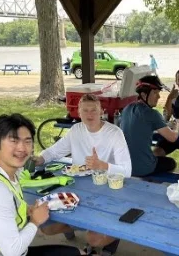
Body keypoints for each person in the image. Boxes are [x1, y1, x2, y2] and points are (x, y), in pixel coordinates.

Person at [0, 113, 88, 255]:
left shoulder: (5, 172)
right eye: (14, 141)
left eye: (27, 141)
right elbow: (13, 251)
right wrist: (35, 221)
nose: (22, 148)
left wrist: (27, 210)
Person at [34, 94, 131, 254]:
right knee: (47, 228)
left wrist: (102, 165)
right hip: (77, 190)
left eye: (94, 110)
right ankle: (75, 224)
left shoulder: (114, 133)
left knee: (93, 239)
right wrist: (40, 158)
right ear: (78, 113)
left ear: (102, 111)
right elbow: (55, 151)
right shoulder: (76, 130)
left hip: (107, 191)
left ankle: (111, 234)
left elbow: (127, 170)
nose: (89, 114)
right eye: (85, 110)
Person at [120, 75, 179, 177]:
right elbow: (173, 137)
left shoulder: (127, 108)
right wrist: (177, 126)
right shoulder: (152, 113)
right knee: (171, 163)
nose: (159, 96)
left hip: (125, 166)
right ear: (143, 95)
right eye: (155, 93)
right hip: (142, 168)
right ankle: (154, 183)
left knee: (158, 152)